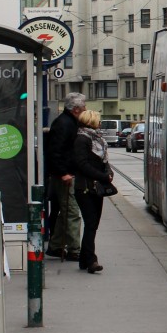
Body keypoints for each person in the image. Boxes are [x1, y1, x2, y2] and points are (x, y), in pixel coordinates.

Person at [44, 92, 84, 260]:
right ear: (75, 109)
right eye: (83, 107)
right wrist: (63, 173)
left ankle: (55, 245)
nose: (85, 109)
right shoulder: (64, 124)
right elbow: (55, 152)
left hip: (65, 173)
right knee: (73, 212)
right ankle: (75, 249)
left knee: (65, 212)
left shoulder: (67, 122)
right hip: (65, 175)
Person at [73, 109, 114, 273]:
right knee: (91, 223)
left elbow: (103, 160)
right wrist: (102, 176)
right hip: (85, 188)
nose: (100, 123)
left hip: (97, 188)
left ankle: (84, 259)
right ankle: (91, 260)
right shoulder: (82, 139)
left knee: (93, 224)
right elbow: (82, 164)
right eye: (98, 120)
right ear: (91, 121)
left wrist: (108, 172)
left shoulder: (97, 139)